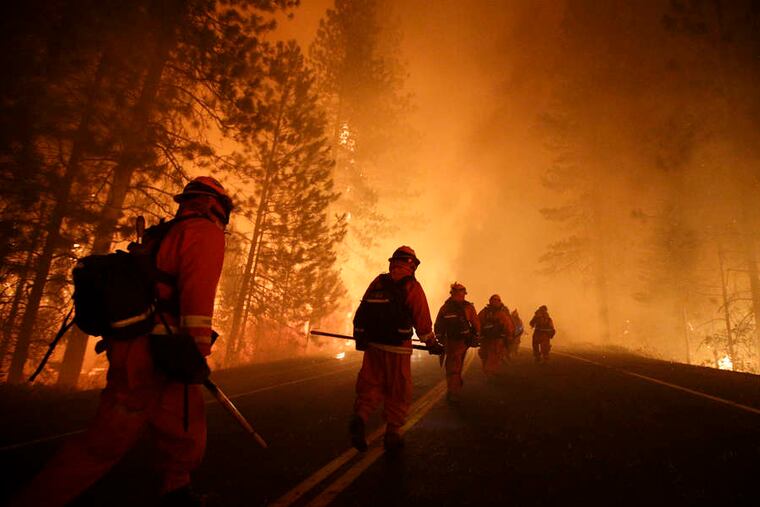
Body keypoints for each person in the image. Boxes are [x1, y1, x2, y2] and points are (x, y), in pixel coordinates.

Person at [11, 176, 232, 507]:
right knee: (105, 442)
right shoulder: (205, 233)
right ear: (219, 207)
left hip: (158, 347)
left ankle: (176, 492)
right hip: (150, 352)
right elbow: (197, 301)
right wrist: (196, 354)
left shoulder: (166, 232)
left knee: (183, 426)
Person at [349, 246, 437, 452]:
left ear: (393, 262)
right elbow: (422, 321)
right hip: (398, 348)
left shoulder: (378, 281)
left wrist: (361, 336)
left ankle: (361, 416)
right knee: (399, 390)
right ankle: (392, 433)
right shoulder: (412, 286)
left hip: (374, 345)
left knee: (370, 384)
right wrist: (431, 343)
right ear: (412, 264)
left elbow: (363, 310)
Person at [434, 282, 480, 402]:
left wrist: (476, 335)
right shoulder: (453, 307)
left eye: (461, 293)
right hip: (454, 342)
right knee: (454, 366)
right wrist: (439, 339)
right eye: (458, 293)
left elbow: (476, 323)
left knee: (454, 366)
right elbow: (439, 325)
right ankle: (454, 390)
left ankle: (454, 387)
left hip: (460, 342)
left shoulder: (462, 307)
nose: (460, 295)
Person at [477, 294, 515, 380]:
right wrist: (509, 336)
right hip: (489, 339)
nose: (495, 302)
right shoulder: (491, 313)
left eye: (496, 300)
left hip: (494, 339)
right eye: (494, 300)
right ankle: (489, 372)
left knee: (492, 355)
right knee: (489, 355)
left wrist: (509, 336)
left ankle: (489, 372)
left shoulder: (494, 313)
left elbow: (508, 326)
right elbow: (508, 326)